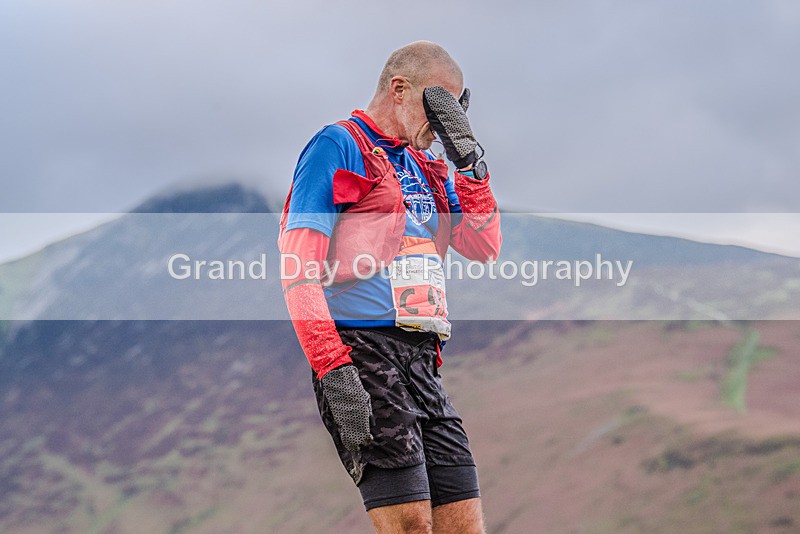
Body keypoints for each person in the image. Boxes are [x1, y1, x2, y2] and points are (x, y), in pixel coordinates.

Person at [278, 41, 501, 534]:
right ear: (399, 89)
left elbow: (484, 245)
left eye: (456, 110)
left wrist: (467, 161)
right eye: (437, 104)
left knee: (463, 525)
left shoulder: (429, 166)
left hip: (423, 357)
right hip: (362, 350)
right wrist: (334, 370)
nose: (445, 121)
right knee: (411, 525)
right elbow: (298, 270)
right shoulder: (338, 146)